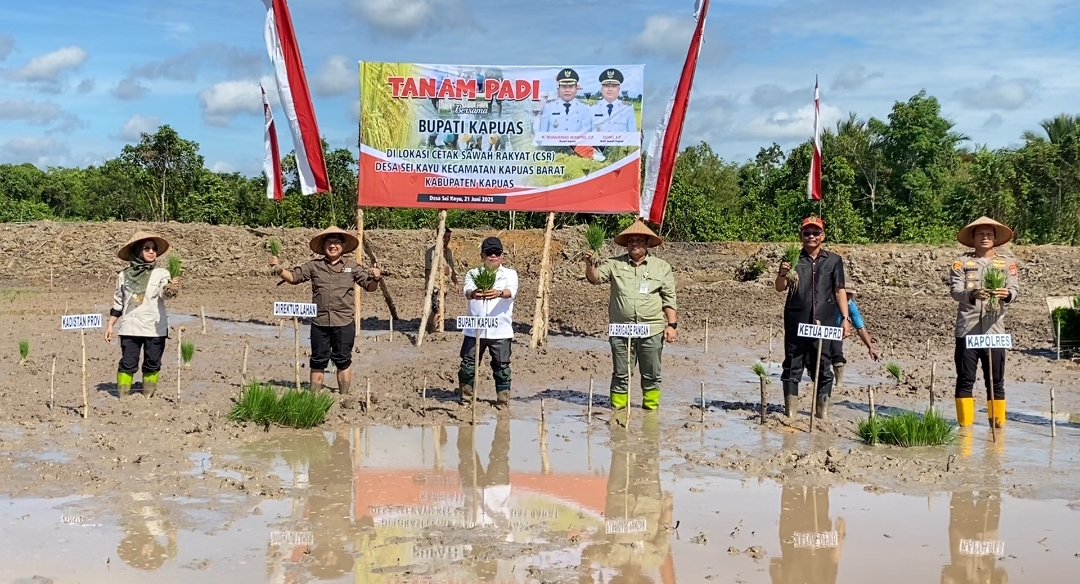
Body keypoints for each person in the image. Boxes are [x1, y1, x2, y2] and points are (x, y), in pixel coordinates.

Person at [270, 226, 382, 397]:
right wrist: (278, 268)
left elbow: (370, 287)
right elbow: (293, 278)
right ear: (323, 247)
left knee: (343, 360)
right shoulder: (314, 266)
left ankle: (343, 396)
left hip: (344, 322)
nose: (333, 246)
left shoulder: (352, 267)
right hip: (320, 322)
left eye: (336, 242)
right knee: (318, 360)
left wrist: (376, 277)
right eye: (329, 243)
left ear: (343, 247)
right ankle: (314, 398)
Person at [585, 220, 677, 411]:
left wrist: (671, 325)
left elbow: (669, 298)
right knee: (621, 372)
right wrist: (590, 265)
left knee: (651, 372)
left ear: (647, 244)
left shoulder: (661, 267)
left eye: (639, 240)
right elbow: (595, 278)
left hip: (651, 329)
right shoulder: (614, 264)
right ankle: (618, 410)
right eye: (631, 241)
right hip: (621, 329)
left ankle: (650, 410)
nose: (634, 244)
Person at [775, 216, 851, 421]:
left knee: (823, 366)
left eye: (815, 233)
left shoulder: (834, 261)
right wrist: (782, 274)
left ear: (822, 236)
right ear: (801, 236)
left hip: (824, 323)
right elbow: (779, 287)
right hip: (796, 322)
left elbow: (839, 290)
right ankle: (790, 415)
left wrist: (845, 318)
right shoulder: (791, 258)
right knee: (792, 365)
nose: (811, 236)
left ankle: (821, 414)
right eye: (806, 233)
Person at [950, 216, 1019, 429]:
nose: (985, 237)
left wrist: (1007, 294)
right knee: (965, 379)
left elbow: (1015, 290)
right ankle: (966, 430)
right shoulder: (961, 263)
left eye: (989, 234)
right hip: (967, 330)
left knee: (996, 381)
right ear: (973, 238)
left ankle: (997, 426)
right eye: (980, 234)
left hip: (995, 331)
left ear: (995, 238)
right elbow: (955, 291)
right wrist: (972, 294)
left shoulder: (1007, 264)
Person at [106, 231, 179, 399]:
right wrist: (110, 325)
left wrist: (171, 288)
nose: (151, 252)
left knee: (152, 363)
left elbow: (164, 294)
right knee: (127, 363)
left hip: (154, 328)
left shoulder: (162, 274)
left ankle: (148, 396)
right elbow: (118, 302)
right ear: (137, 251)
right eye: (146, 248)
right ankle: (123, 397)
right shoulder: (123, 275)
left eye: (153, 249)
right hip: (130, 328)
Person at [459, 236, 518, 407]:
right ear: (482, 256)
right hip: (474, 329)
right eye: (489, 252)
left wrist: (499, 293)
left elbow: (511, 291)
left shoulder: (510, 274)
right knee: (468, 366)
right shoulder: (473, 274)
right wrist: (473, 293)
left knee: (502, 368)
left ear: (502, 256)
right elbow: (467, 291)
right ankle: (466, 400)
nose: (493, 256)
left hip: (500, 330)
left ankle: (502, 401)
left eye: (497, 253)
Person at [830, 286, 881, 389]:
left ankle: (839, 384)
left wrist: (870, 347)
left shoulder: (851, 306)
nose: (848, 297)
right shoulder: (829, 301)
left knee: (838, 356)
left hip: (836, 333)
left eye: (850, 294)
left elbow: (860, 328)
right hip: (821, 330)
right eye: (846, 293)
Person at [425, 228, 461, 333]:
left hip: (445, 285)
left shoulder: (448, 252)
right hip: (435, 284)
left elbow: (452, 269)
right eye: (444, 237)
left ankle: (434, 326)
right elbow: (427, 271)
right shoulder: (431, 253)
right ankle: (431, 328)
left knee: (441, 307)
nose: (447, 239)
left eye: (449, 237)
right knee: (437, 308)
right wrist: (427, 286)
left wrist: (456, 283)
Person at [538, 68, 593, 134]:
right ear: (558, 89)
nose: (567, 90)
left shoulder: (584, 108)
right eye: (564, 87)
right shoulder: (549, 107)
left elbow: (589, 135)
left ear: (576, 89)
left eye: (571, 87)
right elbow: (542, 133)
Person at [590, 68, 638, 133]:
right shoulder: (591, 108)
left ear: (619, 89)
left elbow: (632, 134)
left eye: (614, 86)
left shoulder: (627, 108)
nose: (610, 89)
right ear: (601, 89)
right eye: (607, 86)